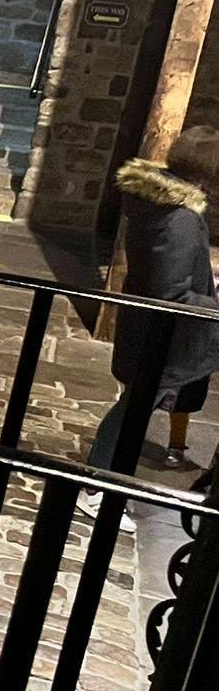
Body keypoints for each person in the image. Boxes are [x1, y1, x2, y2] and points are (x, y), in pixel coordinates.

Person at [81, 129, 219, 518]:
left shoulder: (164, 206)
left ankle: (99, 482)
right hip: (160, 335)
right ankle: (95, 489)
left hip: (151, 329)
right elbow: (169, 292)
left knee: (134, 406)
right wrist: (212, 304)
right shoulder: (179, 218)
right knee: (133, 409)